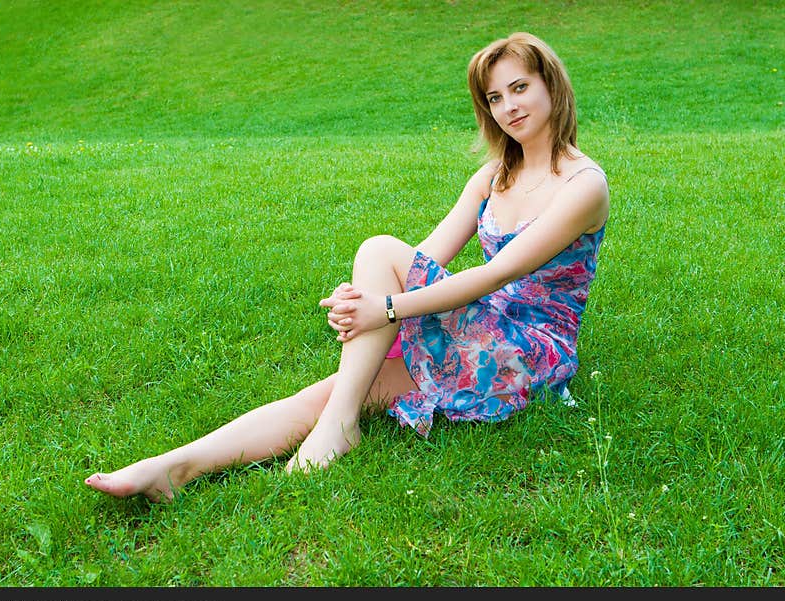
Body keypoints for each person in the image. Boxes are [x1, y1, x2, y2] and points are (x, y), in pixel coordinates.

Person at [84, 31, 609, 502]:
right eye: (494, 97)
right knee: (338, 389)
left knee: (378, 252)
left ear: (551, 87)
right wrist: (361, 297)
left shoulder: (583, 186)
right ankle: (173, 469)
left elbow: (494, 275)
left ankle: (339, 429)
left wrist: (385, 308)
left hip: (530, 354)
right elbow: (426, 257)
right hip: (483, 331)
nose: (507, 106)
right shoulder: (494, 175)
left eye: (519, 88)